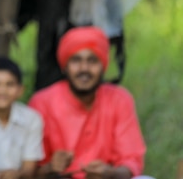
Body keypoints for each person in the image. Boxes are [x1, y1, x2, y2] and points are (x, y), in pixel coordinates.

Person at [28, 26, 147, 179]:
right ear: (65, 66)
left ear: (103, 66)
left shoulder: (119, 99)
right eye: (76, 60)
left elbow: (131, 162)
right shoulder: (42, 102)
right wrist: (51, 167)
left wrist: (110, 173)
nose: (84, 68)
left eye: (92, 61)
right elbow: (29, 171)